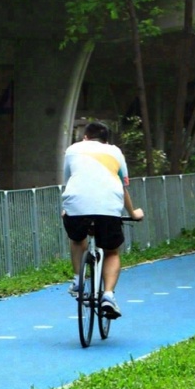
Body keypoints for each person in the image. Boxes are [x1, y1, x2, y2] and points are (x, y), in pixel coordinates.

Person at [61, 119, 144, 320]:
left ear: (85, 137)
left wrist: (67, 209)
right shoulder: (115, 152)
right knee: (112, 251)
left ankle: (77, 280)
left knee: (77, 239)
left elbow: (68, 180)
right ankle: (108, 295)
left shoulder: (72, 149)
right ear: (106, 141)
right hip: (108, 208)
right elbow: (123, 185)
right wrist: (133, 213)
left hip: (76, 205)